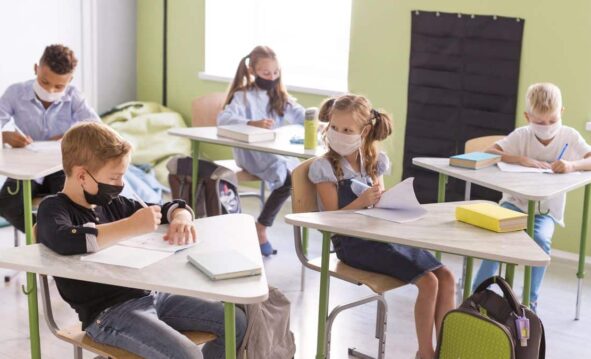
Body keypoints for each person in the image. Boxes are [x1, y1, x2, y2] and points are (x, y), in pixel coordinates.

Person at [37, 122, 246, 359]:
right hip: (107, 315)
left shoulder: (113, 204)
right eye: (114, 177)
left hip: (152, 296)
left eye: (123, 176)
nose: (121, 185)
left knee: (235, 322)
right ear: (82, 175)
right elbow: (66, 239)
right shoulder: (53, 208)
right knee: (187, 355)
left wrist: (181, 217)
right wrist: (131, 226)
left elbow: (170, 207)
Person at [308, 94, 455, 359]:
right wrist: (362, 201)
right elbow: (331, 220)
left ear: (364, 132)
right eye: (334, 128)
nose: (339, 134)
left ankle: (447, 351)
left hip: (381, 234)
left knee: (446, 277)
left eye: (347, 130)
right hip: (353, 244)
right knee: (429, 283)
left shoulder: (374, 162)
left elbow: (381, 205)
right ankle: (426, 353)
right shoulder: (325, 167)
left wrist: (385, 201)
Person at [472, 82, 591, 313]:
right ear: (528, 116)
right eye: (539, 122)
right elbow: (488, 152)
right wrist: (520, 159)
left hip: (545, 212)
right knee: (498, 238)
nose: (546, 127)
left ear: (561, 113)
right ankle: (477, 294)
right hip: (513, 205)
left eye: (552, 120)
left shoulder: (569, 135)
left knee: (541, 241)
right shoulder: (522, 136)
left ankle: (530, 301)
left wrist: (571, 165)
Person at [0, 44, 99, 232]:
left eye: (59, 86)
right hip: (27, 167)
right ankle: (45, 236)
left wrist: (69, 136)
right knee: (6, 204)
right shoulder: (15, 93)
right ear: (36, 69)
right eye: (45, 82)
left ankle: (60, 237)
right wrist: (4, 135)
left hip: (61, 166)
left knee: (69, 206)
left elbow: (97, 129)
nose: (51, 90)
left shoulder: (74, 96)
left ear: (70, 80)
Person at [217, 45, 305, 256]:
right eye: (266, 73)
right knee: (288, 180)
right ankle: (261, 228)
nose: (271, 77)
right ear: (252, 71)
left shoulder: (280, 96)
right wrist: (251, 122)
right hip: (251, 155)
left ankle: (261, 227)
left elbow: (300, 114)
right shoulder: (243, 96)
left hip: (277, 153)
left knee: (300, 175)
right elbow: (224, 120)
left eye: (275, 73)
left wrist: (317, 121)